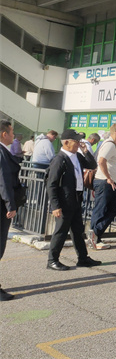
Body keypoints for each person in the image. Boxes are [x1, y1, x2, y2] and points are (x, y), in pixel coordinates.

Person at [45, 129, 101, 271]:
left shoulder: (77, 156)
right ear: (66, 142)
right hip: (64, 201)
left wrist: (86, 151)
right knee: (61, 231)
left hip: (76, 199)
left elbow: (92, 165)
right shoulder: (60, 159)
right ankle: (52, 260)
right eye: (76, 141)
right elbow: (51, 184)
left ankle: (83, 258)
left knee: (77, 230)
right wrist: (55, 205)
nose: (78, 143)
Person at [89, 123, 116, 250]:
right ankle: (94, 236)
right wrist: (109, 178)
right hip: (105, 182)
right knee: (102, 210)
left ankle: (95, 235)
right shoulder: (109, 144)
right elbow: (101, 161)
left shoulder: (109, 144)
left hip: (106, 181)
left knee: (110, 209)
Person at [0, 121, 20, 300]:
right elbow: (4, 181)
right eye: (12, 132)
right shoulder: (1, 153)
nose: (14, 135)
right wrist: (10, 205)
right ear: (4, 134)